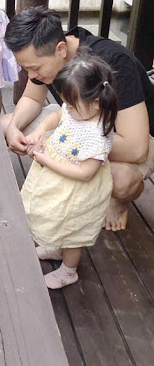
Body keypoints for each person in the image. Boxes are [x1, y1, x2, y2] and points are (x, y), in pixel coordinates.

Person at [2, 6, 154, 231]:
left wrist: (61, 145)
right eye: (26, 69)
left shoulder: (112, 60)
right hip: (77, 120)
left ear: (61, 49)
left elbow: (136, 147)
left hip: (131, 138)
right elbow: (33, 100)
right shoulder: (46, 56)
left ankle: (119, 201)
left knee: (122, 180)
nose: (31, 76)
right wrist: (14, 127)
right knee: (3, 125)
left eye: (34, 69)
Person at [21, 49, 117, 289]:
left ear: (96, 103)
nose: (68, 109)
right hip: (60, 177)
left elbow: (86, 173)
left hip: (77, 189)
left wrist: (47, 160)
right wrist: (41, 130)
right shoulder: (75, 108)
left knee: (72, 228)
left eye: (72, 106)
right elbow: (57, 116)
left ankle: (68, 270)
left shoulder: (97, 134)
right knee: (56, 214)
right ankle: (55, 247)